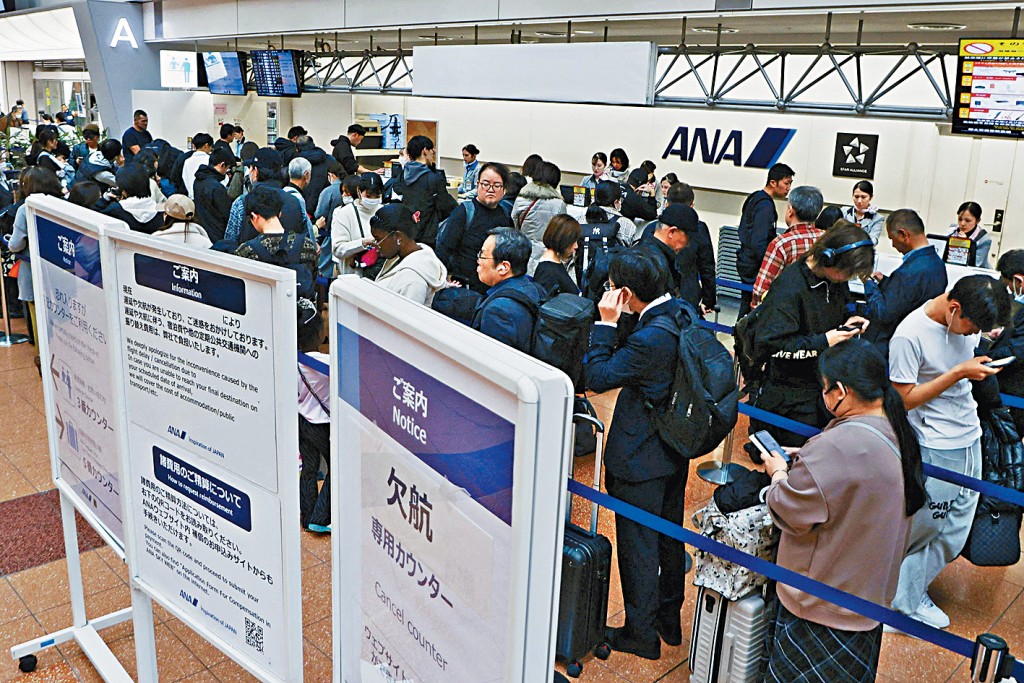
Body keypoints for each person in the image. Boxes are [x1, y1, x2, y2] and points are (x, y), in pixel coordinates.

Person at [761, 339, 927, 683]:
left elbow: (790, 509)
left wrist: (778, 472)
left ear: (840, 391)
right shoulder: (900, 430)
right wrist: (809, 461)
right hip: (868, 600)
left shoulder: (837, 446)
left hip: (821, 605)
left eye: (824, 389)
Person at [888, 275, 1012, 630]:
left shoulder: (966, 321)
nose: (972, 333)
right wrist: (958, 372)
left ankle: (911, 592)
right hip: (935, 442)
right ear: (954, 309)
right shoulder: (909, 334)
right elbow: (903, 399)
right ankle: (901, 606)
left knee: (956, 529)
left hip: (968, 434)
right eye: (971, 327)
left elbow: (965, 355)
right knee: (927, 528)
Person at [584, 251, 687, 661]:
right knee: (668, 536)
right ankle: (668, 619)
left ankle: (640, 633)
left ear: (625, 292)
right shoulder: (679, 312)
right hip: (673, 446)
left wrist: (606, 324)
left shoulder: (649, 339)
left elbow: (598, 378)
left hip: (641, 454)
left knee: (639, 545)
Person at [750, 223, 874, 448]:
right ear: (828, 259)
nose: (848, 278)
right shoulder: (790, 288)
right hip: (790, 395)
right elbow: (771, 345)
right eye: (848, 272)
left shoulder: (835, 281)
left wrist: (848, 322)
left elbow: (838, 309)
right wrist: (825, 341)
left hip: (820, 386)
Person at [862, 209, 948, 360]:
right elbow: (911, 296)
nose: (893, 245)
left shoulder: (908, 272)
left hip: (889, 348)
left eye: (892, 238)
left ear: (903, 234)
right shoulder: (937, 264)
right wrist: (886, 281)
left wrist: (868, 282)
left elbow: (883, 313)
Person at [435, 162, 514, 293]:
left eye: (497, 185)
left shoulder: (505, 215)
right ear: (477, 185)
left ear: (504, 189)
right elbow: (444, 248)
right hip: (464, 287)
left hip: (494, 288)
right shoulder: (464, 212)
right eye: (485, 184)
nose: (490, 189)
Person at [7, 167, 63, 344]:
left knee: (37, 318)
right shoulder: (64, 205)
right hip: (61, 271)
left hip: (32, 272)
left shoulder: (25, 209)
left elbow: (16, 245)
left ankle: (42, 355)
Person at [471, 228, 547, 354]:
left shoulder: (498, 311)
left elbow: (495, 363)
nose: (478, 260)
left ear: (504, 267)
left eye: (483, 255)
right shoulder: (536, 289)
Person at [235, 185, 319, 298]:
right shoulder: (306, 245)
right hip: (298, 313)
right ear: (279, 213)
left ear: (254, 217)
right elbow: (313, 277)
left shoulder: (246, 251)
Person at [223, 147, 314, 247]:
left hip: (248, 261)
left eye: (251, 168)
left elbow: (229, 242)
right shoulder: (295, 201)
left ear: (255, 171)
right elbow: (307, 241)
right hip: (289, 261)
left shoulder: (241, 202)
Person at [736, 162, 794, 318]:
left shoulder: (754, 197)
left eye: (790, 184)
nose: (788, 188)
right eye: (786, 183)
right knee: (751, 307)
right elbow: (759, 241)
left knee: (746, 304)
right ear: (773, 183)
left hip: (746, 259)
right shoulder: (765, 206)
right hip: (754, 264)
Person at [751, 185, 825, 306]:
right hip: (818, 312)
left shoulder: (781, 244)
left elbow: (761, 290)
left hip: (786, 312)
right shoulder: (827, 239)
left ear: (790, 210)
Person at [296, 300, 332, 533]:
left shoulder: (291, 361)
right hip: (323, 425)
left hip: (301, 421)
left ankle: (307, 515)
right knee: (336, 467)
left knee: (309, 469)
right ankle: (320, 518)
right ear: (319, 334)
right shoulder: (326, 364)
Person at [370, 203, 449, 306]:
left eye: (378, 239)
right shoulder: (411, 254)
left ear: (398, 236)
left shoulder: (413, 280)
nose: (375, 245)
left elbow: (406, 319)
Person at [985, 250, 1024, 433]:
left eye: (1009, 286)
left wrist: (984, 359)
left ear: (1019, 281)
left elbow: (1017, 350)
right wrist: (1005, 333)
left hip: (1015, 390)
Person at [396, 135, 455, 247]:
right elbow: (446, 206)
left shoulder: (402, 174)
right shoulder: (433, 178)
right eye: (432, 151)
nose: (433, 154)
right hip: (428, 236)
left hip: (407, 233)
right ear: (424, 151)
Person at [513, 160, 567, 275]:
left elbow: (514, 224)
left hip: (522, 253)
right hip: (547, 257)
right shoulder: (558, 204)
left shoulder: (521, 198)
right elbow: (561, 232)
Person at [635, 204, 698, 299]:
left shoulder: (646, 252)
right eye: (688, 238)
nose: (688, 244)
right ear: (672, 232)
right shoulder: (655, 264)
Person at [331, 172, 383, 276]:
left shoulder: (383, 211)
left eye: (377, 196)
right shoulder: (344, 214)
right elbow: (337, 249)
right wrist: (363, 243)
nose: (372, 200)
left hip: (379, 277)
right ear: (358, 192)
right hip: (353, 276)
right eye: (368, 196)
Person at [101, 164, 164, 233]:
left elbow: (94, 217)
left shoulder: (114, 210)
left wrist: (105, 198)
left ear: (124, 191)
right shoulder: (162, 213)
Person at [191, 146, 235, 242]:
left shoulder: (198, 180)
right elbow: (226, 214)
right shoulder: (217, 188)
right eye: (227, 168)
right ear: (222, 165)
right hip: (216, 233)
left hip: (201, 230)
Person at [533, 215, 582, 296]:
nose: (576, 246)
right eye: (573, 241)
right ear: (564, 241)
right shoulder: (548, 273)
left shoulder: (552, 265)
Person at [945, 201, 991, 268]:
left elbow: (976, 264)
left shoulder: (984, 239)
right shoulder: (952, 230)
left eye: (967, 220)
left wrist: (964, 243)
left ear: (978, 221)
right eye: (960, 219)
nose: (962, 223)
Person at [294, 135, 331, 215]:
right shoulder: (330, 159)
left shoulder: (296, 164)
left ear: (297, 149)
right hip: (325, 208)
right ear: (313, 144)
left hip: (303, 208)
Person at [842, 180, 884, 245]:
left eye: (863, 197)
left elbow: (873, 240)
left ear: (871, 197)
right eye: (856, 197)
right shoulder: (843, 211)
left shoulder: (878, 218)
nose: (859, 201)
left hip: (863, 252)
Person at [314, 159, 346, 232]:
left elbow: (319, 214)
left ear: (330, 175)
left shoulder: (328, 191)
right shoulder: (348, 187)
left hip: (330, 231)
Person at [182, 132, 213, 198]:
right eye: (210, 147)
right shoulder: (210, 160)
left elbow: (185, 178)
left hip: (192, 197)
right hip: (208, 198)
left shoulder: (187, 161)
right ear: (206, 145)